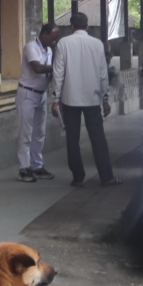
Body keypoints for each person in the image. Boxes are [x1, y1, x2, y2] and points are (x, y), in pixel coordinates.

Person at [51, 13, 120, 188]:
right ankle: (106, 177)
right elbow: (103, 74)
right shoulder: (97, 44)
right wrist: (105, 99)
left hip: (70, 98)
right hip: (92, 99)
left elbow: (58, 72)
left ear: (71, 27)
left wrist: (55, 98)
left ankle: (78, 177)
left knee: (72, 139)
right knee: (98, 138)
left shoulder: (63, 43)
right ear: (87, 26)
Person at [17, 22, 61, 183]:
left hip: (41, 94)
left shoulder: (48, 50)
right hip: (27, 93)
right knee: (25, 133)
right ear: (44, 34)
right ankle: (24, 168)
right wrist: (58, 66)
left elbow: (48, 72)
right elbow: (37, 68)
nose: (54, 42)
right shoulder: (31, 47)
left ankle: (37, 165)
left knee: (39, 133)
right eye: (53, 38)